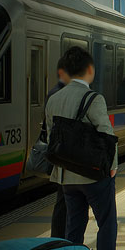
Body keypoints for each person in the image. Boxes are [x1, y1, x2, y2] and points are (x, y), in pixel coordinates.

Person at [45, 47, 125, 250]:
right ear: (89, 70)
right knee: (107, 225)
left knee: (73, 227)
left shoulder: (53, 99)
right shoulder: (93, 98)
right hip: (93, 176)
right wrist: (112, 168)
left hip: (66, 177)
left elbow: (50, 137)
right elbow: (107, 136)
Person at [47, 57, 70, 239]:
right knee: (67, 204)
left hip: (60, 159)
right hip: (71, 161)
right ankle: (65, 242)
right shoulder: (68, 96)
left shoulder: (53, 95)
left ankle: (59, 239)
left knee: (62, 203)